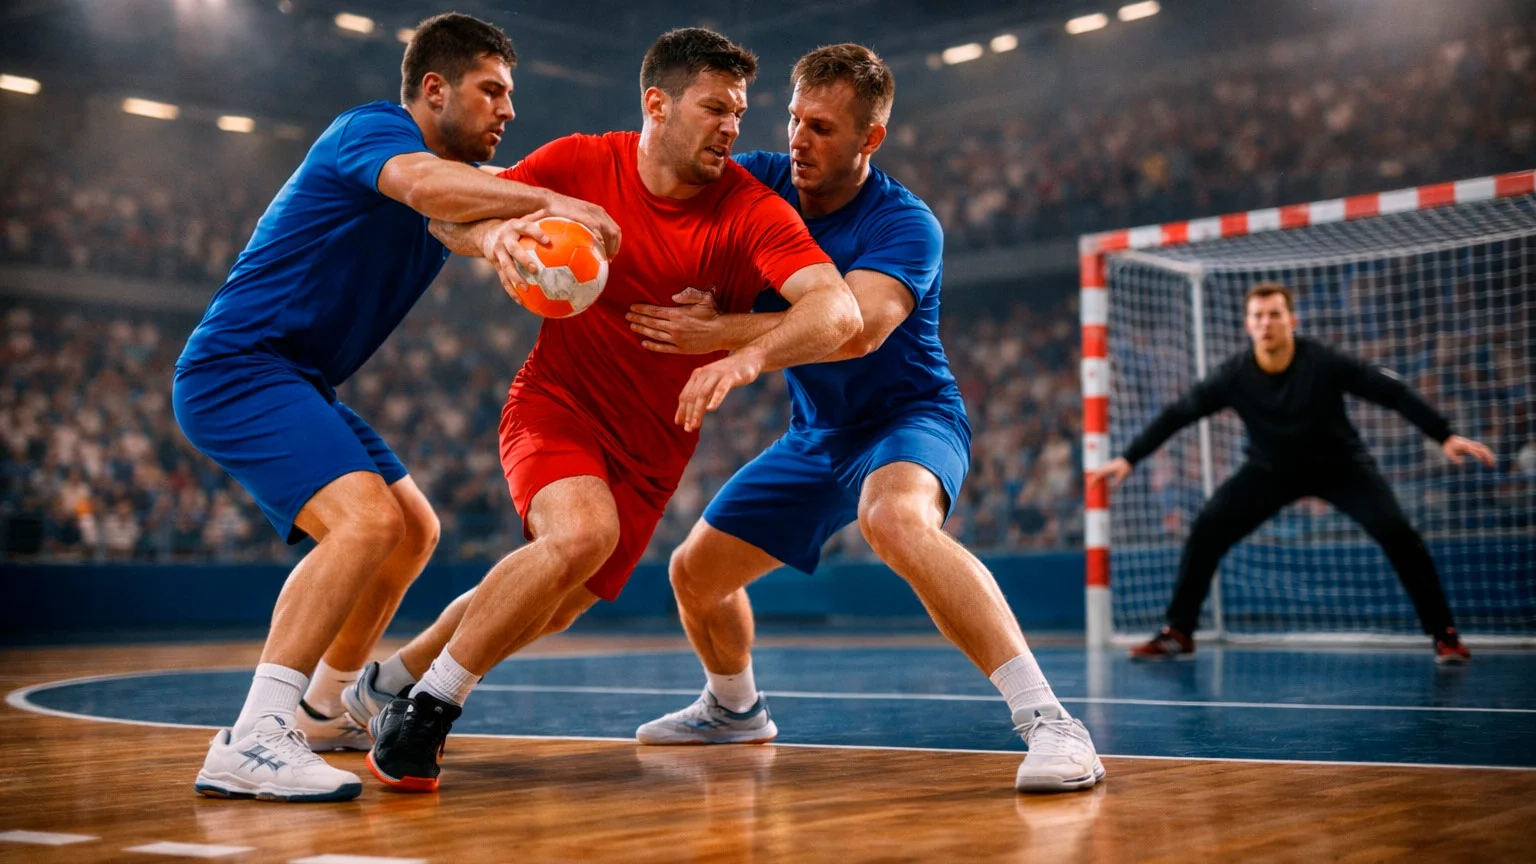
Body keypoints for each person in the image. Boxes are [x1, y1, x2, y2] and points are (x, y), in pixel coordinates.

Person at [358, 27, 862, 793]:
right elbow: (442, 219)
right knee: (581, 534)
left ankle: (388, 679)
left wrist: (743, 351)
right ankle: (428, 710)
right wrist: (497, 236)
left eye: (738, 112)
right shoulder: (577, 164)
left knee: (554, 602)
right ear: (656, 104)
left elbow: (839, 315)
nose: (732, 127)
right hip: (556, 406)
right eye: (714, 108)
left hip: (655, 450)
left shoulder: (751, 210)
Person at [622, 44, 1103, 794]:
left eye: (820, 127)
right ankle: (735, 708)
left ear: (869, 139)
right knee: (695, 576)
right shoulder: (762, 179)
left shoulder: (907, 225)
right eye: (792, 120)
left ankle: (1052, 724)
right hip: (816, 434)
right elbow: (661, 179)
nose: (797, 139)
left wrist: (719, 334)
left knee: (896, 521)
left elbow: (855, 330)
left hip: (908, 418)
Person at [173, 12, 618, 803]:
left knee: (414, 530)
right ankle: (252, 735)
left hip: (298, 379)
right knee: (367, 522)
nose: (507, 110)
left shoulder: (445, 187)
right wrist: (548, 197)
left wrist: (512, 236)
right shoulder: (369, 134)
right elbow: (424, 189)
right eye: (492, 91)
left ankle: (321, 709)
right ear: (434, 89)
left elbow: (460, 226)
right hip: (238, 367)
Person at [1087, 283, 1496, 664]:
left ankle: (1444, 633)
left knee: (1398, 533)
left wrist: (1443, 434)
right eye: (1258, 316)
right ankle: (1178, 631)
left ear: (1292, 321)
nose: (1266, 323)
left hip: (1341, 467)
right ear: (1248, 325)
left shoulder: (1323, 361)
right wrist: (1129, 457)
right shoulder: (1233, 374)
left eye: (1275, 314)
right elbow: (1179, 414)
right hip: (1270, 471)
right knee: (1208, 527)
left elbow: (1390, 391)